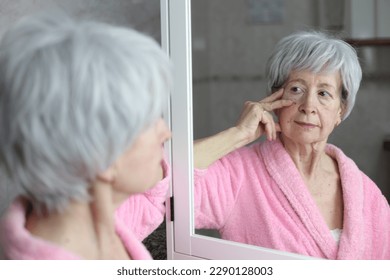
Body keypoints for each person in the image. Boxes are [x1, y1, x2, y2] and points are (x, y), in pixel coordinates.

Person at [193, 31, 390, 259]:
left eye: (324, 93)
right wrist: (236, 135)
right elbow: (159, 184)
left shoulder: (365, 192)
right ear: (275, 101)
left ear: (340, 111)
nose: (308, 105)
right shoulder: (238, 175)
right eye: (296, 89)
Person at [0, 13, 172, 260]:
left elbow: (152, 198)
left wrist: (238, 134)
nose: (166, 132)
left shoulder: (102, 216)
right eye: (150, 120)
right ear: (100, 156)